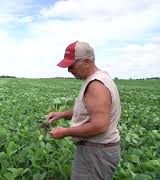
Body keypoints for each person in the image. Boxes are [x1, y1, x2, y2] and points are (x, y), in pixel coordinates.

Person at [46, 41, 121, 179]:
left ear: (86, 61)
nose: (69, 70)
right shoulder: (97, 78)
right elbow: (88, 112)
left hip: (96, 153)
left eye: (71, 65)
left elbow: (99, 126)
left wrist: (65, 132)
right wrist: (62, 114)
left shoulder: (96, 85)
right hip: (96, 150)